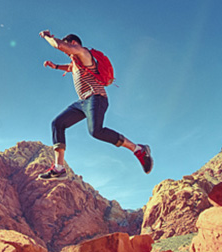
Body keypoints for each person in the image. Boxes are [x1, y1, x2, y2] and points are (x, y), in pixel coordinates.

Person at [38, 30, 152, 179]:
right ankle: (59, 168)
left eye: (68, 48)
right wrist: (56, 67)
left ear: (73, 43)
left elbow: (59, 45)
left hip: (96, 98)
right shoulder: (76, 63)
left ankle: (138, 149)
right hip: (82, 102)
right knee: (57, 123)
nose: (67, 53)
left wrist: (47, 37)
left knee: (96, 131)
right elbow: (70, 67)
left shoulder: (83, 52)